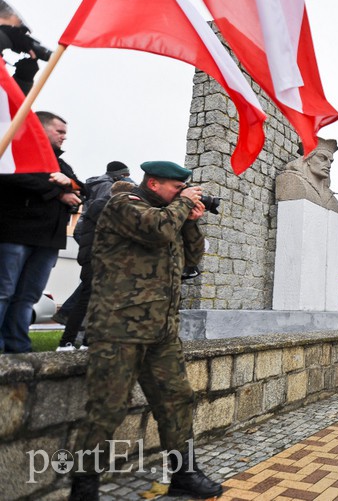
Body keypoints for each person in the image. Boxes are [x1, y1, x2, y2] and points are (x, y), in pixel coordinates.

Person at [68, 161, 220, 500]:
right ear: (153, 183)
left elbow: (193, 259)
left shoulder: (172, 214)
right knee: (107, 408)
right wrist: (182, 206)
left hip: (161, 330)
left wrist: (192, 222)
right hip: (119, 328)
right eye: (176, 188)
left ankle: (183, 474)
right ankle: (84, 486)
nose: (182, 194)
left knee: (177, 400)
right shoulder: (124, 205)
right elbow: (157, 230)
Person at [0, 111, 83, 353]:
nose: (64, 137)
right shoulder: (16, 152)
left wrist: (70, 185)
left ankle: (17, 346)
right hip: (16, 234)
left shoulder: (61, 162)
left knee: (27, 296)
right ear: (41, 128)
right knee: (4, 292)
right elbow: (15, 179)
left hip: (48, 240)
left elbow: (81, 187)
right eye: (59, 131)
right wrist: (57, 190)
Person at [56, 180, 137, 351]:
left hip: (102, 259)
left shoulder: (104, 205)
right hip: (95, 259)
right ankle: (66, 342)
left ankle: (88, 341)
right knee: (86, 300)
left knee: (100, 301)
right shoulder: (101, 205)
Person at [275, 138, 338, 213]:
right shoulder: (292, 181)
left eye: (331, 161)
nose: (329, 165)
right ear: (308, 158)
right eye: (322, 158)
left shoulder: (331, 198)